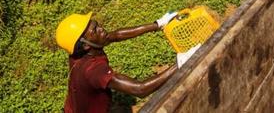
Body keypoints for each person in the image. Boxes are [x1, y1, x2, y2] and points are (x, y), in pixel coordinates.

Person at [55, 12, 199, 113]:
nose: (102, 29)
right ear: (86, 44)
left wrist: (158, 24)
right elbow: (140, 89)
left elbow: (117, 35)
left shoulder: (83, 49)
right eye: (95, 30)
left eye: (97, 25)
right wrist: (180, 64)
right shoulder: (93, 71)